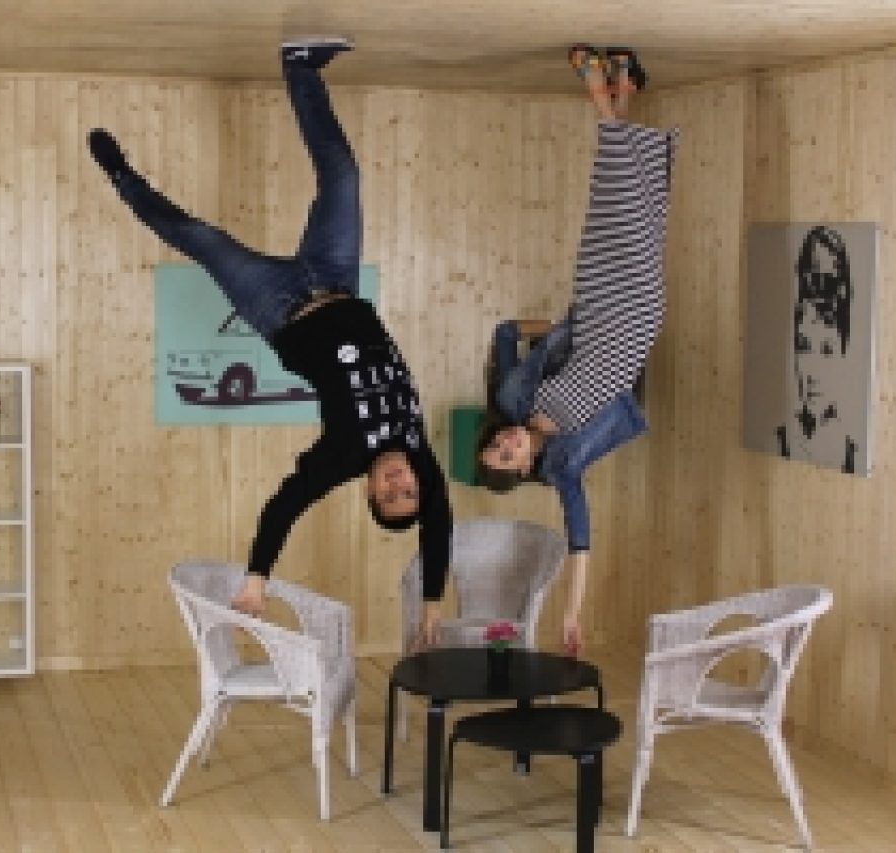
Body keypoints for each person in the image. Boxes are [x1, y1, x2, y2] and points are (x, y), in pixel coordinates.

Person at [86, 38, 452, 646]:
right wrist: (433, 607)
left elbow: (284, 505)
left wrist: (256, 579)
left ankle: (122, 177)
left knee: (198, 236)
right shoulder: (418, 453)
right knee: (344, 175)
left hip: (276, 305)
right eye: (409, 490)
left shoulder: (340, 458)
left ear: (369, 491)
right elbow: (438, 527)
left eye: (390, 496)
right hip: (336, 276)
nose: (400, 484)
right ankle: (300, 67)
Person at [476, 45, 677, 656]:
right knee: (638, 224)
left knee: (620, 215)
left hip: (592, 304)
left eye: (497, 443)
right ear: (523, 470)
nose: (507, 443)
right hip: (635, 319)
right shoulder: (564, 467)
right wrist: (571, 616)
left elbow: (505, 334)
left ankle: (623, 93)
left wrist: (561, 321)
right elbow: (580, 541)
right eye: (507, 457)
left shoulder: (515, 398)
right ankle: (602, 98)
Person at [776, 225, 857, 473]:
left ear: (844, 352)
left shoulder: (851, 454)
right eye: (803, 347)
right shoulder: (780, 440)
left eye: (827, 350)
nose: (812, 371)